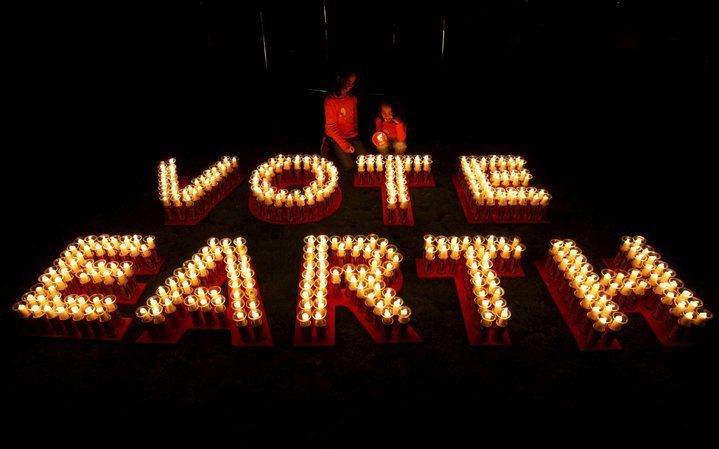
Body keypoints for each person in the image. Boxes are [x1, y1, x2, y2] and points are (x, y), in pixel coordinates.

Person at [324, 69, 367, 170]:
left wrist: (355, 134)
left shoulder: (352, 98)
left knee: (365, 161)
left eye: (353, 82)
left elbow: (354, 117)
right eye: (348, 81)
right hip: (337, 137)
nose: (351, 85)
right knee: (349, 166)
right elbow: (330, 127)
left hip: (352, 136)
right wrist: (343, 144)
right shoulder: (331, 101)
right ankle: (328, 144)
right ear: (339, 79)